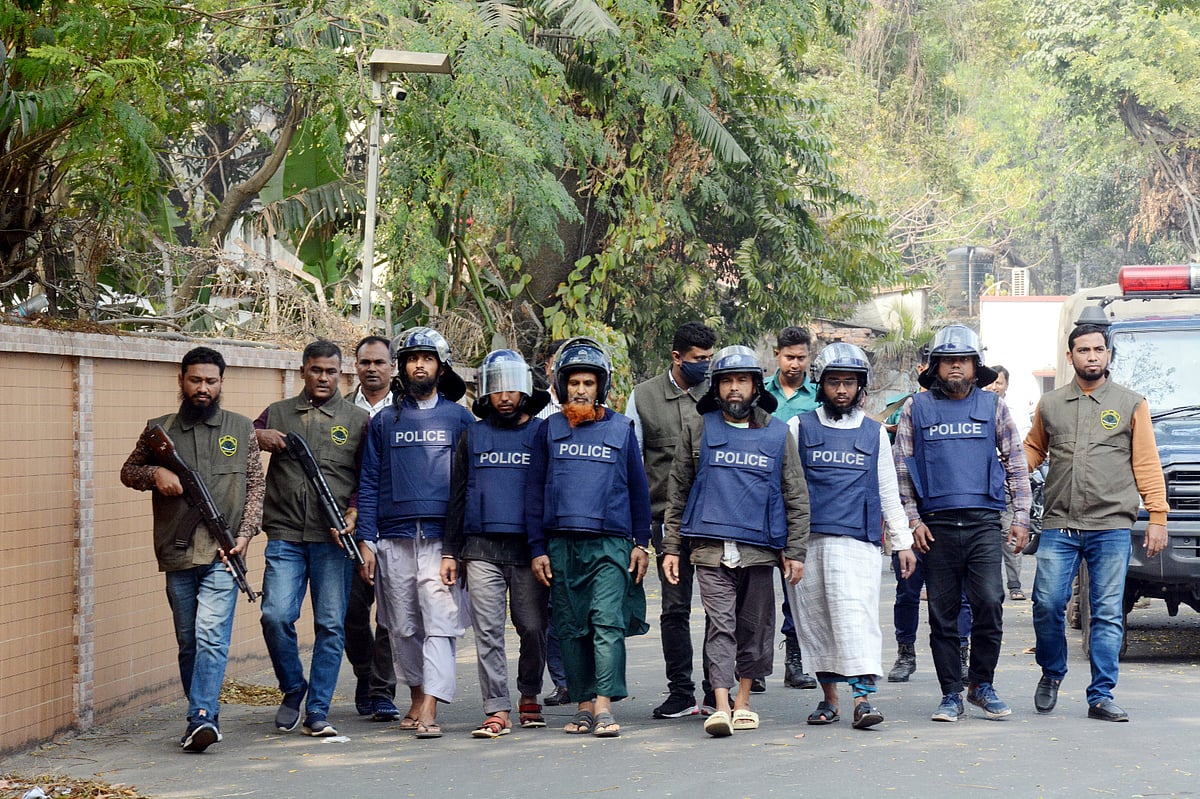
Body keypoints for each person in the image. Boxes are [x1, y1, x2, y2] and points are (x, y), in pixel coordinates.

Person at [121, 347, 265, 753]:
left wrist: (246, 535)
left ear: (222, 383)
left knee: (211, 635)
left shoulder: (240, 428)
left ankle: (201, 716)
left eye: (211, 381)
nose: (203, 388)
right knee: (189, 640)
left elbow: (256, 485)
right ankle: (203, 715)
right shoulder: (159, 430)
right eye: (195, 380)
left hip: (225, 553)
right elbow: (127, 472)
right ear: (181, 380)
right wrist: (155, 473)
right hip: (177, 551)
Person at [1023, 322, 1168, 722]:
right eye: (1083, 350)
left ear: (1107, 356)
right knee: (1046, 604)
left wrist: (1157, 515)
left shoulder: (1130, 403)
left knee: (1105, 612)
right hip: (1060, 524)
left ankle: (1101, 695)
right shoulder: (1051, 405)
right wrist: (1005, 465)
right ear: (1070, 357)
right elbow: (1033, 450)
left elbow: (1146, 462)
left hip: (1111, 527)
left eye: (1098, 350)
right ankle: (1052, 673)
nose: (1091, 356)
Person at [661, 346, 808, 737]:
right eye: (727, 381)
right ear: (717, 387)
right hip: (709, 549)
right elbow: (679, 491)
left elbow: (795, 494)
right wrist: (671, 547)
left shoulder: (778, 434)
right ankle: (721, 705)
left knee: (755, 626)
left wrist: (795, 552)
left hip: (759, 551)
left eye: (742, 380)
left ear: (756, 385)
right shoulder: (699, 428)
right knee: (720, 625)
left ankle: (744, 701)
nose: (734, 389)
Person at [893, 324, 1031, 722]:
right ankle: (950, 693)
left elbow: (1017, 465)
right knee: (942, 612)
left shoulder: (994, 407)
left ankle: (981, 685)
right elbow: (902, 469)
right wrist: (912, 521)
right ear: (934, 367)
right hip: (934, 528)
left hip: (984, 524)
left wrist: (1020, 517)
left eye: (964, 360)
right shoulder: (914, 409)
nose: (956, 366)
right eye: (948, 360)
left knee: (990, 601)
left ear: (976, 367)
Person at [525, 336, 651, 738]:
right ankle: (581, 704)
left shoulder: (621, 428)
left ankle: (604, 705)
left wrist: (642, 542)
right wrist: (537, 549)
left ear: (602, 387)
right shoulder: (548, 430)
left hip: (610, 544)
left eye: (589, 383)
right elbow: (533, 492)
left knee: (606, 621)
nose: (581, 389)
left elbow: (638, 490)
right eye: (575, 383)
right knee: (571, 626)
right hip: (562, 546)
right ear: (563, 386)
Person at [786, 343, 915, 729]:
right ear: (820, 385)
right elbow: (788, 489)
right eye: (834, 382)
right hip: (809, 544)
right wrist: (787, 546)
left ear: (861, 388)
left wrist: (903, 543)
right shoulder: (799, 427)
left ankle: (864, 700)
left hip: (859, 544)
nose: (841, 390)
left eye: (849, 383)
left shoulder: (875, 433)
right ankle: (830, 701)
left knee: (855, 619)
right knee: (817, 620)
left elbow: (889, 491)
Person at [355, 327, 475, 739]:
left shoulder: (460, 418)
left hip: (442, 542)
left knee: (440, 623)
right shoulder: (385, 421)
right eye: (411, 358)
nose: (418, 364)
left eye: (427, 358)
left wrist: (458, 547)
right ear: (401, 367)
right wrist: (366, 541)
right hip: (393, 539)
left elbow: (468, 486)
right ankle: (417, 693)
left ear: (441, 367)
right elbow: (369, 481)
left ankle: (430, 707)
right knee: (401, 626)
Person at [255, 340, 368, 737]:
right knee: (276, 615)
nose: (323, 377)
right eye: (316, 370)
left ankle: (317, 710)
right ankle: (292, 688)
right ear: (303, 370)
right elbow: (237, 449)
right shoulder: (278, 413)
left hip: (333, 538)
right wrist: (258, 437)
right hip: (285, 533)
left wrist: (354, 513)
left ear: (342, 374)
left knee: (331, 625)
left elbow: (365, 478)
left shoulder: (356, 420)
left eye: (331, 371)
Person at [442, 349, 553, 738]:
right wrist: (449, 551)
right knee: (487, 631)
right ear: (485, 394)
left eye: (511, 389)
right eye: (496, 390)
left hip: (528, 550)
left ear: (524, 391)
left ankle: (529, 694)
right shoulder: (472, 435)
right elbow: (457, 496)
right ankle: (497, 708)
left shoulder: (542, 433)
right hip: (480, 548)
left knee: (533, 627)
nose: (504, 397)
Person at [625, 321, 717, 719]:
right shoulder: (643, 397)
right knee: (674, 610)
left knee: (720, 609)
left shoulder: (717, 395)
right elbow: (630, 467)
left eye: (710, 359)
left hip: (715, 523)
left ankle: (718, 691)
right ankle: (681, 692)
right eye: (699, 360)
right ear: (677, 358)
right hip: (667, 526)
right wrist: (639, 536)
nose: (706, 367)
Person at [343, 336, 401, 721]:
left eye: (380, 362)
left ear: (393, 367)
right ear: (356, 366)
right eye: (365, 362)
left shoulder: (409, 410)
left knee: (391, 615)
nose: (372, 368)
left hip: (396, 523)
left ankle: (382, 689)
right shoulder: (340, 409)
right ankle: (365, 674)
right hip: (349, 525)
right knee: (349, 612)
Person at [763, 326, 820, 690]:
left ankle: (795, 658)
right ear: (777, 355)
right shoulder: (759, 392)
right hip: (758, 497)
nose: (795, 364)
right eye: (789, 357)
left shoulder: (818, 396)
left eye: (801, 358)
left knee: (794, 583)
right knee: (751, 585)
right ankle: (750, 664)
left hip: (800, 499)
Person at [533, 339, 569, 706]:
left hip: (579, 524)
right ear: (548, 368)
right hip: (541, 520)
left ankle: (585, 677)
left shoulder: (598, 410)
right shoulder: (536, 410)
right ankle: (562, 680)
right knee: (547, 612)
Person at [987, 365, 1027, 602]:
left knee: (1010, 533)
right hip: (985, 487)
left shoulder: (1016, 413)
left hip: (1007, 485)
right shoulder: (980, 409)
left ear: (1006, 386)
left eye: (999, 383)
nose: (994, 387)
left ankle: (1014, 583)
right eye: (991, 382)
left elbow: (1017, 454)